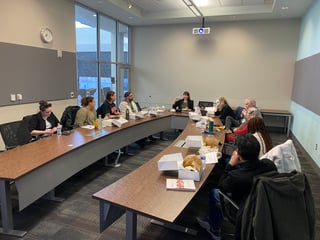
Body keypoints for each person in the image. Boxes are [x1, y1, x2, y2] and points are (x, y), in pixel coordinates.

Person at [197, 134, 277, 239]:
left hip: (244, 208)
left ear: (239, 154)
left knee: (214, 192)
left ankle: (215, 229)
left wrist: (230, 164)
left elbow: (221, 186)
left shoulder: (236, 177)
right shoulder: (270, 164)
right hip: (265, 204)